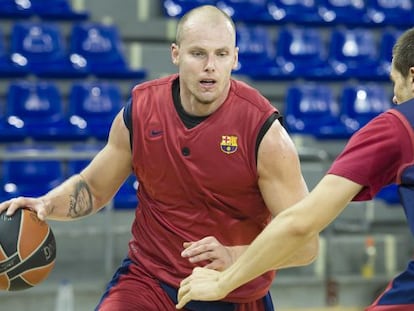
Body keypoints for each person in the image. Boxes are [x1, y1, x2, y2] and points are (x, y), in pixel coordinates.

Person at [0, 5, 318, 311]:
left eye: (221, 54)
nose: (210, 65)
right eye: (198, 53)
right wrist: (47, 205)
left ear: (234, 58)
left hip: (235, 291)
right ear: (175, 54)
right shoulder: (141, 111)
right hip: (149, 282)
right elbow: (94, 188)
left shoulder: (266, 134)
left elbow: (305, 245)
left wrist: (236, 257)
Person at [176, 27, 414, 311]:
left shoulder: (398, 125)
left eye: (395, 84)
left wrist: (223, 282)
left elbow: (302, 223)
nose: (395, 99)